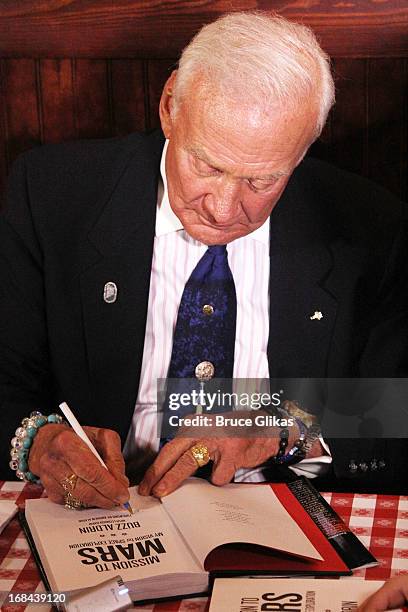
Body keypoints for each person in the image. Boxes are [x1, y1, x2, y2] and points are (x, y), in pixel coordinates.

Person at [0, 12, 407, 509]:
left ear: (302, 151)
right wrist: (37, 441)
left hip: (279, 516)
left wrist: (279, 428)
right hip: (97, 516)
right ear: (170, 106)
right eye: (207, 165)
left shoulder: (369, 227)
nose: (222, 208)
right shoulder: (53, 194)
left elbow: (394, 410)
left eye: (262, 181)